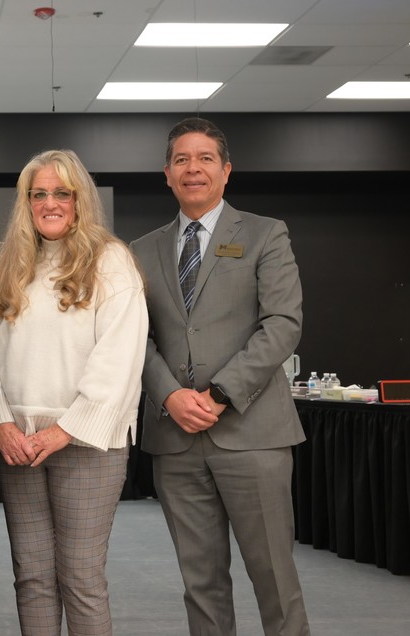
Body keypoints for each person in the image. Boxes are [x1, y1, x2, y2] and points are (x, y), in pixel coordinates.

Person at [129, 117, 311, 635]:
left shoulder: (264, 234)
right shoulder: (140, 251)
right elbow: (132, 337)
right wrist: (170, 396)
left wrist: (221, 393)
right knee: (200, 582)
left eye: (205, 158)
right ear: (167, 174)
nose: (193, 169)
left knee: (274, 577)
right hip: (176, 438)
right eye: (182, 160)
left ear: (226, 170)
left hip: (252, 434)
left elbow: (282, 324)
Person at [0, 149, 148, 636]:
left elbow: (119, 360)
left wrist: (65, 431)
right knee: (31, 578)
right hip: (18, 441)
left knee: (81, 578)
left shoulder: (112, 262)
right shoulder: (8, 264)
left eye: (61, 193)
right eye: (38, 194)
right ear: (25, 203)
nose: (50, 203)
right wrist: (1, 421)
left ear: (79, 200)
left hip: (87, 442)